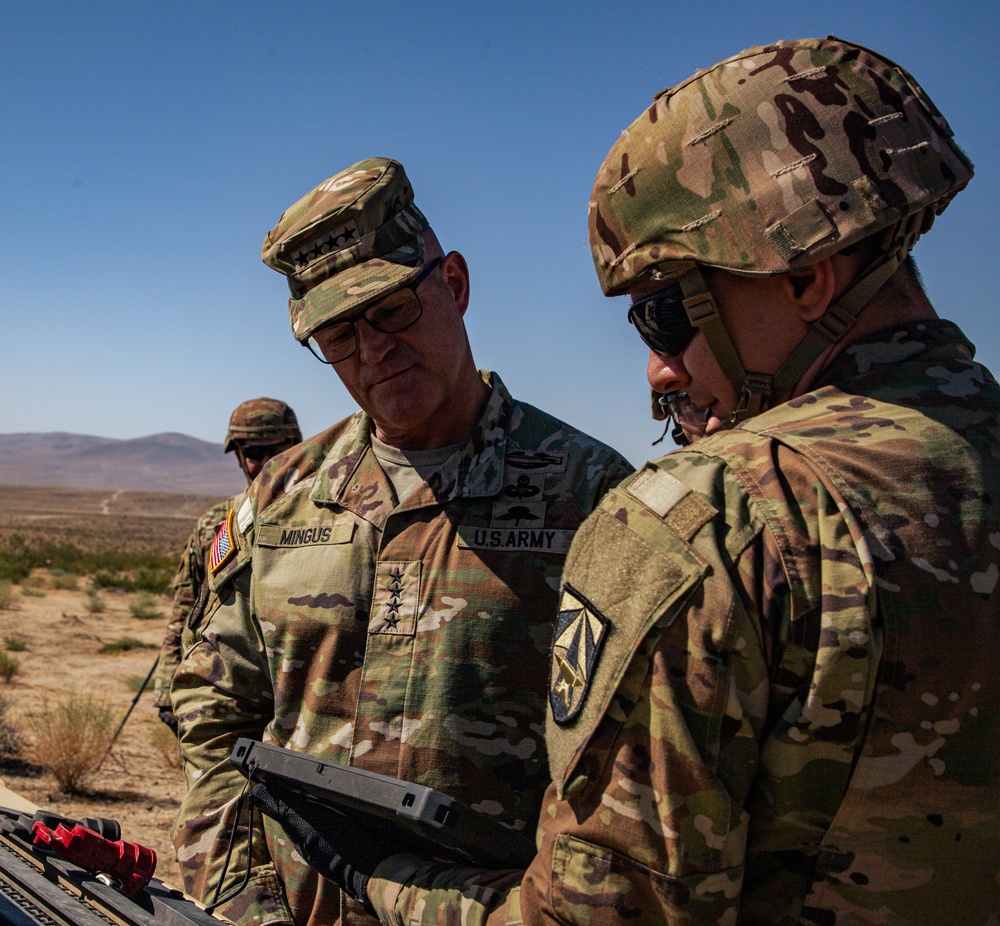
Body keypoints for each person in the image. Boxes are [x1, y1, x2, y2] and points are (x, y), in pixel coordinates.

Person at [330, 37, 997, 925]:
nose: (657, 369)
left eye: (667, 311)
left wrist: (395, 889)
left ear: (805, 275)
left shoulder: (709, 524)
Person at [170, 157, 633, 925]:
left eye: (390, 310)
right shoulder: (283, 495)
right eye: (339, 333)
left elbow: (618, 782)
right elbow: (216, 708)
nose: (371, 350)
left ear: (453, 285)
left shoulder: (590, 494)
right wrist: (243, 900)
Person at [152, 398, 302, 730]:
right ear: (237, 455)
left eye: (275, 451)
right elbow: (186, 610)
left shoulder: (329, 519)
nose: (266, 464)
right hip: (225, 694)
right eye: (253, 453)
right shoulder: (216, 525)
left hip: (300, 696)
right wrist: (166, 689)